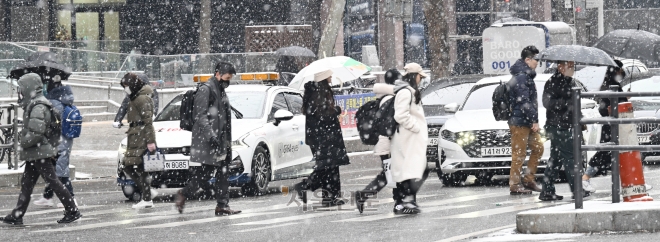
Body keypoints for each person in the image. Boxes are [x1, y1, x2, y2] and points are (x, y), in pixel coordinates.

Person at [0, 73, 81, 225]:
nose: (20, 92)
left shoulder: (38, 106)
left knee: (53, 181)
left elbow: (36, 132)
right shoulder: (36, 103)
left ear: (29, 87)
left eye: (22, 88)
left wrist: (23, 142)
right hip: (36, 151)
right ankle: (17, 215)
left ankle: (72, 210)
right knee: (27, 183)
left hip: (39, 151)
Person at [175, 62, 241, 216]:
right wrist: (211, 136)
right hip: (210, 139)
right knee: (204, 174)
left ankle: (222, 205)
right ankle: (184, 193)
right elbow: (200, 116)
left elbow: (222, 115)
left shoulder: (220, 89)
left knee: (223, 172)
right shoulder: (206, 89)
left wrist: (225, 140)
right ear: (218, 74)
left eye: (230, 78)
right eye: (226, 77)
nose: (228, 81)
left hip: (221, 140)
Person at [294, 70, 351, 207]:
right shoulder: (319, 93)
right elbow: (323, 115)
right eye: (329, 75)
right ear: (324, 78)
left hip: (321, 136)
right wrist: (336, 110)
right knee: (327, 168)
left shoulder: (318, 92)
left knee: (329, 168)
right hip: (324, 137)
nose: (331, 77)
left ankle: (330, 197)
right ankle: (308, 187)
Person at [540, 60, 588, 201]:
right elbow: (547, 102)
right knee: (570, 158)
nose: (573, 69)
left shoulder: (570, 81)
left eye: (574, 66)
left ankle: (547, 190)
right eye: (570, 66)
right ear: (561, 67)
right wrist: (565, 102)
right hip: (559, 126)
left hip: (563, 125)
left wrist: (578, 117)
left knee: (556, 159)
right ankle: (577, 190)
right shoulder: (553, 82)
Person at [354, 69, 399, 213]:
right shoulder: (390, 99)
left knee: (389, 173)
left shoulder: (385, 97)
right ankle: (397, 200)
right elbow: (390, 123)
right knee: (391, 173)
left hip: (385, 142)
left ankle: (365, 195)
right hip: (388, 142)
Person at [581, 60, 628, 193]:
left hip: (615, 126)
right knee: (606, 153)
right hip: (611, 127)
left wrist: (625, 98)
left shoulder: (612, 85)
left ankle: (631, 182)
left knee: (618, 153)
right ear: (615, 70)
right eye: (620, 69)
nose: (622, 72)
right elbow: (604, 108)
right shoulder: (611, 86)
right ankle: (585, 178)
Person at [33, 76, 78, 208]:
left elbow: (50, 124)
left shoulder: (54, 102)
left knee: (60, 170)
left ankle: (71, 198)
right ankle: (47, 196)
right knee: (54, 169)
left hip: (58, 140)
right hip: (66, 139)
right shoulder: (64, 99)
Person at [389, 63, 428, 214]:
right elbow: (400, 115)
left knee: (413, 169)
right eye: (420, 76)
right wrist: (415, 127)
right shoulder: (405, 92)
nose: (421, 79)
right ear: (414, 76)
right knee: (412, 169)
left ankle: (406, 201)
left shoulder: (409, 91)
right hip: (407, 137)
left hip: (410, 138)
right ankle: (406, 200)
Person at [507, 46, 543, 195]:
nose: (537, 63)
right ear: (527, 60)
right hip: (520, 122)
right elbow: (524, 101)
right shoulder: (522, 76)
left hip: (525, 121)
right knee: (519, 153)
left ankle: (528, 179)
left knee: (538, 148)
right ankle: (515, 184)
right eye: (536, 60)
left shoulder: (526, 75)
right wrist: (534, 120)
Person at [120, 73, 158, 209]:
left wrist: (150, 141)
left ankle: (147, 196)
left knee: (132, 166)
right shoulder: (135, 97)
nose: (126, 89)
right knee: (134, 167)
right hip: (135, 136)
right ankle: (147, 195)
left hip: (140, 137)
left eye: (126, 86)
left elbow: (148, 122)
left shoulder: (142, 99)